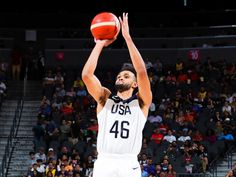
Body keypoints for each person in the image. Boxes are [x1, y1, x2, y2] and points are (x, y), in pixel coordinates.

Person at [82, 12, 152, 177]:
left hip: (129, 162)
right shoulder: (105, 98)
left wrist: (127, 39)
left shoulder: (141, 102)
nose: (121, 77)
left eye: (126, 76)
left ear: (135, 84)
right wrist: (99, 44)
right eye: (119, 76)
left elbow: (141, 71)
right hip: (105, 161)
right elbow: (86, 75)